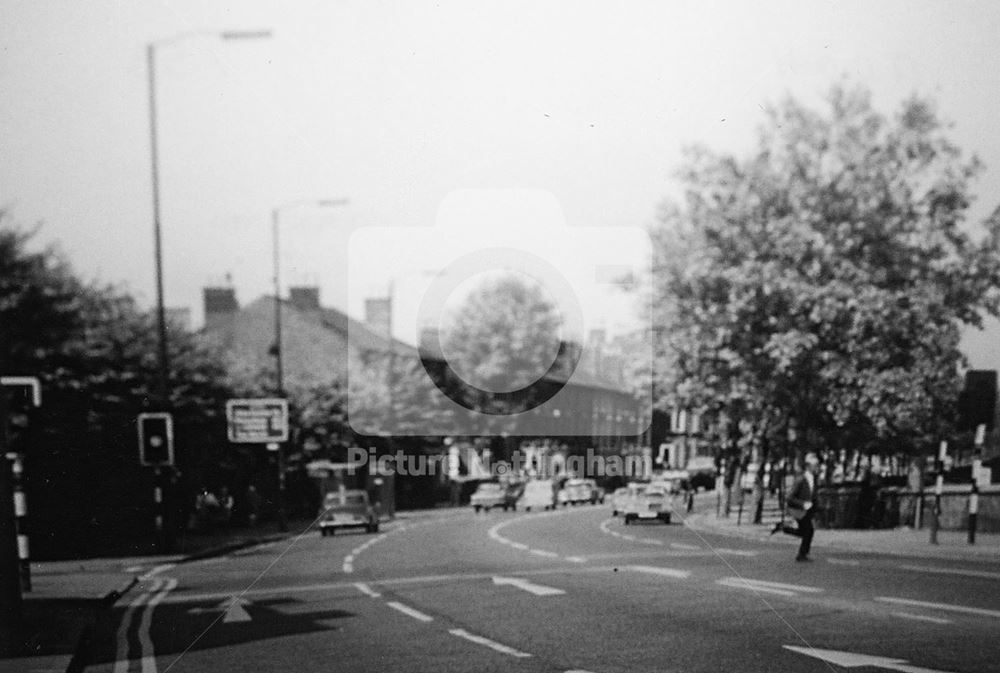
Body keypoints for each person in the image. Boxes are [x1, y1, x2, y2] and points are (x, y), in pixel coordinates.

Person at [786, 453, 821, 561]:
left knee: (806, 531)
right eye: (815, 465)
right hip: (799, 510)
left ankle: (802, 554)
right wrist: (803, 504)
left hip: (808, 511)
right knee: (808, 531)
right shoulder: (801, 479)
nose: (817, 467)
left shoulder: (814, 478)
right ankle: (802, 554)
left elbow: (813, 495)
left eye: (817, 465)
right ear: (808, 466)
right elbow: (790, 498)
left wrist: (816, 507)